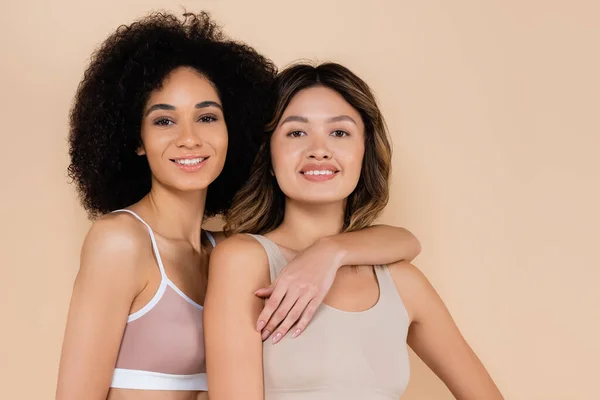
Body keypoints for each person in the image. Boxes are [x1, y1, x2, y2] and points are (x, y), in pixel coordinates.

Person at [57, 12, 422, 400]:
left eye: (207, 117)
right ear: (136, 139)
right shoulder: (120, 241)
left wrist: (332, 251)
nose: (190, 139)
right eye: (164, 121)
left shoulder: (226, 250)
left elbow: (406, 242)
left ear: (233, 129)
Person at [204, 62, 504, 399]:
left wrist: (329, 252)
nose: (319, 149)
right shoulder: (243, 261)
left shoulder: (403, 283)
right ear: (269, 157)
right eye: (296, 132)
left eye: (340, 132)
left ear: (365, 152)